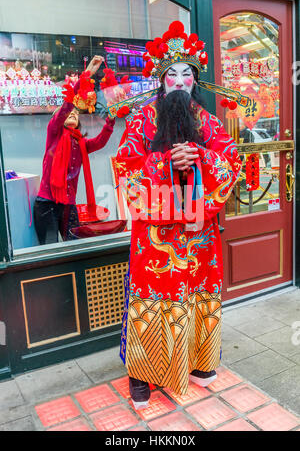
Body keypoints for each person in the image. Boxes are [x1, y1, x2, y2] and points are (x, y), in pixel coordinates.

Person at [115, 21, 242, 410]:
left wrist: (200, 157)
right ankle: (142, 375)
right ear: (160, 80)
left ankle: (199, 363)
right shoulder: (141, 120)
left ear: (195, 80)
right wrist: (165, 163)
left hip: (199, 234)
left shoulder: (209, 122)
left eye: (188, 73)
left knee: (196, 296)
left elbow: (231, 161)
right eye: (172, 73)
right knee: (153, 300)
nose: (180, 80)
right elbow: (124, 169)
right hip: (155, 239)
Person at [34, 56, 115, 245]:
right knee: (50, 250)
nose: (72, 113)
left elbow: (101, 141)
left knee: (75, 247)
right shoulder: (54, 133)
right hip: (47, 204)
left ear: (79, 121)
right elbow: (68, 105)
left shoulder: (81, 143)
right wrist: (87, 75)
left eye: (75, 114)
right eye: (69, 112)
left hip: (68, 205)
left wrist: (110, 121)